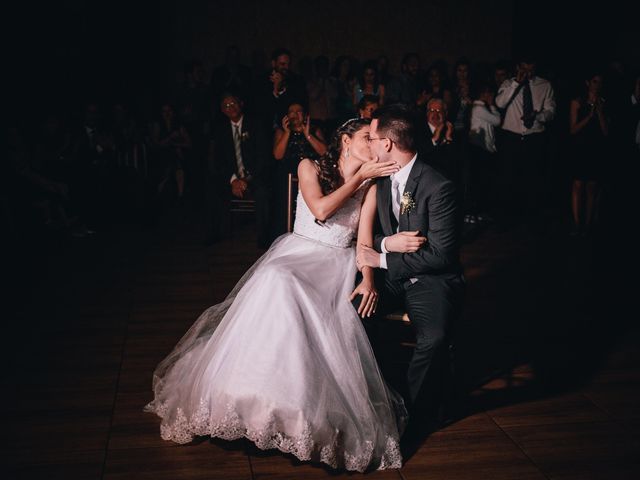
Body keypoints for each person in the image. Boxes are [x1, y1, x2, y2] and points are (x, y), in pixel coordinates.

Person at [145, 118, 406, 472]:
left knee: (290, 286)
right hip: (298, 254)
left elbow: (362, 241)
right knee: (277, 278)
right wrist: (358, 179)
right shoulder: (309, 166)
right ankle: (250, 399)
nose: (373, 144)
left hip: (335, 266)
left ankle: (300, 413)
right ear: (345, 140)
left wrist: (369, 278)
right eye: (366, 138)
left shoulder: (371, 187)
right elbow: (321, 210)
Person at [356, 105, 465, 433]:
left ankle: (413, 413)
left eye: (372, 138)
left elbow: (442, 256)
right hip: (390, 278)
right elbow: (366, 235)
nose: (369, 144)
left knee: (434, 337)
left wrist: (381, 258)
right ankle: (370, 397)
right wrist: (387, 246)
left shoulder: (438, 186)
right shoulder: (379, 178)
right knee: (349, 313)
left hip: (429, 280)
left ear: (387, 144)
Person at [207, 93, 272, 247]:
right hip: (233, 178)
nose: (231, 108)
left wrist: (246, 179)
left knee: (264, 192)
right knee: (212, 189)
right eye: (227, 106)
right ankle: (215, 234)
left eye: (234, 103)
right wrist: (234, 180)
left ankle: (264, 238)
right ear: (223, 110)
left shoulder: (256, 124)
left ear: (241, 104)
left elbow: (263, 157)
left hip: (254, 176)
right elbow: (218, 161)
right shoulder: (220, 130)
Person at [568, 71, 609, 235]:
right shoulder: (577, 102)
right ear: (587, 83)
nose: (597, 85)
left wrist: (599, 113)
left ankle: (588, 223)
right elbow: (573, 129)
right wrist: (589, 116)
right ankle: (577, 224)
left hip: (596, 148)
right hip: (580, 148)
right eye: (594, 81)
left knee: (592, 186)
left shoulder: (604, 102)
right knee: (578, 185)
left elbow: (606, 132)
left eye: (600, 82)